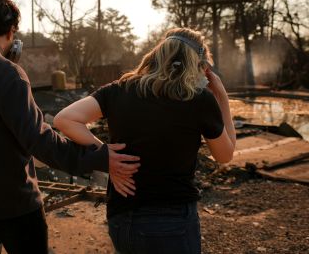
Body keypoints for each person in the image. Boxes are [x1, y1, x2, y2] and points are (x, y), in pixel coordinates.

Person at [0, 0, 140, 254]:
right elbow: (40, 140)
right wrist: (99, 157)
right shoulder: (7, 72)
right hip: (14, 205)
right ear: (12, 32)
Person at [53, 27, 236, 254]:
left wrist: (106, 154)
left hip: (121, 217)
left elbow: (65, 119)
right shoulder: (199, 100)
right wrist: (222, 98)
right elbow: (225, 155)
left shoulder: (119, 89)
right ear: (199, 66)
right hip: (172, 222)